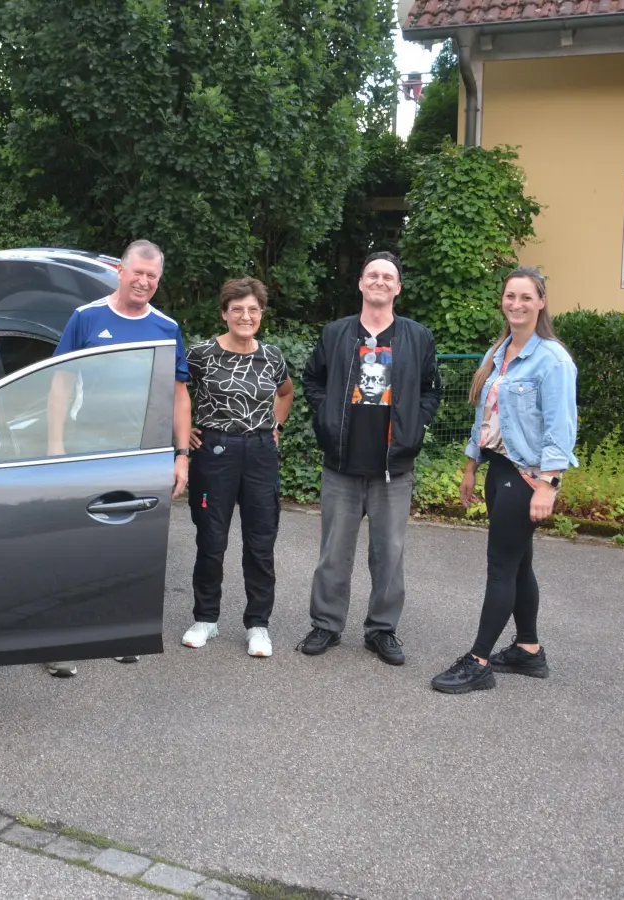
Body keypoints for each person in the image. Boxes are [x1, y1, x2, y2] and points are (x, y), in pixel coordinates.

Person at [44, 239, 191, 678]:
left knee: (126, 545)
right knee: (72, 543)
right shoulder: (86, 318)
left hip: (140, 452)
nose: (144, 281)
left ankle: (117, 633)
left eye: (153, 276)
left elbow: (180, 395)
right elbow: (60, 383)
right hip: (85, 448)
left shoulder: (167, 327)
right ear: (120, 272)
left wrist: (180, 455)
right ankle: (60, 641)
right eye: (138, 273)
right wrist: (55, 447)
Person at [432, 267, 578, 694]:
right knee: (519, 564)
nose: (516, 303)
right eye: (510, 296)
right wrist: (471, 465)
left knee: (501, 568)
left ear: (541, 302)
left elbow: (560, 427)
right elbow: (485, 417)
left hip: (527, 477)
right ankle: (528, 650)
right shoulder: (498, 353)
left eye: (526, 297)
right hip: (498, 469)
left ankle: (478, 661)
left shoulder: (552, 359)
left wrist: (549, 484)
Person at [298, 252, 441, 666]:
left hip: (393, 469)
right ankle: (326, 624)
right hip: (341, 465)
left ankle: (381, 630)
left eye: (388, 276)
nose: (380, 281)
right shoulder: (337, 333)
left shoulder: (417, 337)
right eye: (372, 275)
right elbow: (312, 379)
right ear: (361, 283)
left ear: (398, 287)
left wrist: (417, 425)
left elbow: (432, 389)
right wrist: (326, 418)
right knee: (333, 552)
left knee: (389, 553)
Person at [180, 278, 292, 657]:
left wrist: (276, 425)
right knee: (211, 540)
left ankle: (258, 625)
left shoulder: (273, 357)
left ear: (261, 313)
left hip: (260, 453)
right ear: (224, 313)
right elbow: (173, 393)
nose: (246, 316)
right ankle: (206, 618)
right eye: (238, 309)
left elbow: (286, 392)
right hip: (214, 453)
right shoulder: (200, 354)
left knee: (261, 543)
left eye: (253, 309)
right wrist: (183, 430)